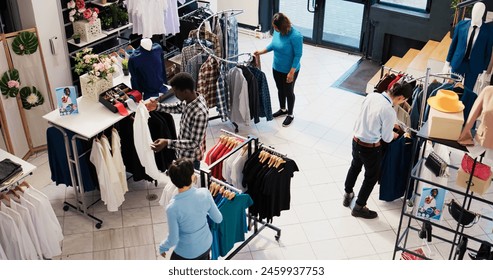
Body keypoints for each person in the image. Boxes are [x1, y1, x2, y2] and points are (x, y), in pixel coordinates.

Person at [343, 82, 413, 219]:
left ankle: (347, 194)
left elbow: (370, 117)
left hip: (356, 140)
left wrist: (386, 124)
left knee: (355, 166)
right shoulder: (389, 111)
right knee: (371, 177)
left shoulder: (372, 96)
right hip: (370, 148)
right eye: (404, 100)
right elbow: (387, 138)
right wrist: (394, 134)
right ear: (401, 98)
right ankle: (359, 206)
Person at [158, 158, 223, 260]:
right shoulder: (205, 193)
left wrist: (162, 247)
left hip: (186, 252)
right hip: (206, 244)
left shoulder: (172, 208)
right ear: (193, 177)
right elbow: (218, 218)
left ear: (173, 181)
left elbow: (173, 239)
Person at [146, 72, 208, 170]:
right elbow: (178, 108)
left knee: (189, 184)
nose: (175, 95)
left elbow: (194, 144)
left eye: (176, 92)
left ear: (186, 91)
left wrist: (167, 142)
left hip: (191, 160)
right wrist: (157, 106)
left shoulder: (200, 113)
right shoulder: (189, 100)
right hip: (181, 153)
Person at [254, 12, 303, 127]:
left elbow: (298, 55)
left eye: (276, 27)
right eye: (274, 27)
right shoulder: (277, 31)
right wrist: (261, 52)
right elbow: (273, 45)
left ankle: (290, 114)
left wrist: (291, 72)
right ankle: (283, 109)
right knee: (280, 89)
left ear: (283, 26)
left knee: (288, 92)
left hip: (290, 70)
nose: (274, 29)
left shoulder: (296, 36)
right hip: (277, 67)